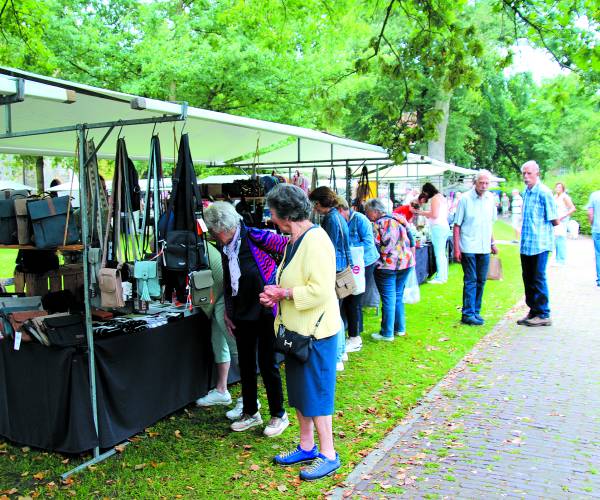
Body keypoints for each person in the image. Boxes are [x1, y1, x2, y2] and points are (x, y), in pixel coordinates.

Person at [259, 184, 341, 481]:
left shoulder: (316, 241)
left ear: (284, 212)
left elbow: (320, 291)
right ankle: (307, 446)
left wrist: (285, 293)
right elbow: (291, 281)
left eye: (271, 210)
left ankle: (329, 454)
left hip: (316, 335)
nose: (269, 216)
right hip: (296, 333)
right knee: (300, 394)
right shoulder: (295, 239)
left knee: (317, 396)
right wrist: (277, 295)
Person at [203, 202, 289, 437]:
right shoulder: (224, 247)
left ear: (219, 228)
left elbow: (290, 249)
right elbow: (230, 281)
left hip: (265, 310)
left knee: (268, 363)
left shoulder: (257, 236)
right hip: (241, 312)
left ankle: (278, 414)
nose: (211, 234)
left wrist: (281, 286)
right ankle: (251, 411)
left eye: (211, 230)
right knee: (246, 364)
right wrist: (228, 311)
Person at [308, 186, 352, 371]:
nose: (313, 208)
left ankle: (338, 355)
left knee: (334, 314)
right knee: (337, 313)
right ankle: (341, 353)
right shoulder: (338, 217)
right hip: (342, 268)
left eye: (314, 204)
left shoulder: (331, 219)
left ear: (319, 203)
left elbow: (329, 248)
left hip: (335, 270)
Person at [195, 242, 242, 409]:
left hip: (224, 293)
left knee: (235, 346)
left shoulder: (196, 247)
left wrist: (209, 307)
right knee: (219, 341)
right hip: (219, 293)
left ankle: (248, 399)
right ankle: (222, 390)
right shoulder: (196, 244)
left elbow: (217, 280)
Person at [364, 198, 415, 341]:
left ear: (375, 211)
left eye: (368, 212)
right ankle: (400, 328)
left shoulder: (378, 224)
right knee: (397, 296)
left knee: (388, 298)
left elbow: (374, 245)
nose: (367, 215)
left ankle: (387, 333)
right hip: (405, 263)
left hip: (387, 265)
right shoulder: (399, 218)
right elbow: (411, 238)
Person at [453, 170, 498, 326]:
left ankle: (476, 311)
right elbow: (457, 225)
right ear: (475, 182)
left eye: (487, 183)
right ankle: (467, 313)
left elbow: (490, 223)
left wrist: (492, 243)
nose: (484, 186)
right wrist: (457, 248)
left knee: (481, 280)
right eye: (481, 183)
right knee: (471, 280)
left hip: (484, 246)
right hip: (468, 246)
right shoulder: (465, 199)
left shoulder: (490, 199)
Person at [517, 161, 559, 327]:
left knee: (538, 277)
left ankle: (543, 313)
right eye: (524, 174)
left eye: (529, 174)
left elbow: (554, 219)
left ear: (537, 174)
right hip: (527, 243)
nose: (526, 177)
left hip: (540, 243)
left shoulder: (544, 192)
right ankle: (533, 310)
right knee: (528, 278)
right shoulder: (526, 192)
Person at [337, 197, 378, 353]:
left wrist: (347, 249)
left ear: (341, 210)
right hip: (350, 265)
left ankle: (355, 337)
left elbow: (369, 243)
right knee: (350, 300)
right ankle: (353, 334)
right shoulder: (342, 221)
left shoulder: (360, 220)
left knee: (354, 300)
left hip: (364, 264)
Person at [412, 183, 450, 284]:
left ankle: (440, 277)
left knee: (439, 253)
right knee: (442, 253)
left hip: (438, 227)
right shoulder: (441, 197)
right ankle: (443, 275)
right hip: (443, 226)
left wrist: (420, 212)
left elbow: (434, 214)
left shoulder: (435, 198)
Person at [553, 182, 576, 265]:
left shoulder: (565, 197)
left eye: (560, 187)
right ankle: (557, 259)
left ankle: (561, 260)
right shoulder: (555, 196)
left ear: (563, 188)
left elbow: (573, 208)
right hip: (555, 220)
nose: (558, 188)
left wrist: (563, 216)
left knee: (560, 239)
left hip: (562, 220)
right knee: (556, 239)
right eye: (557, 187)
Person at [586, 189, 600, 287]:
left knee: (598, 254)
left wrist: (592, 224)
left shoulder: (594, 195)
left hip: (597, 228)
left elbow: (590, 213)